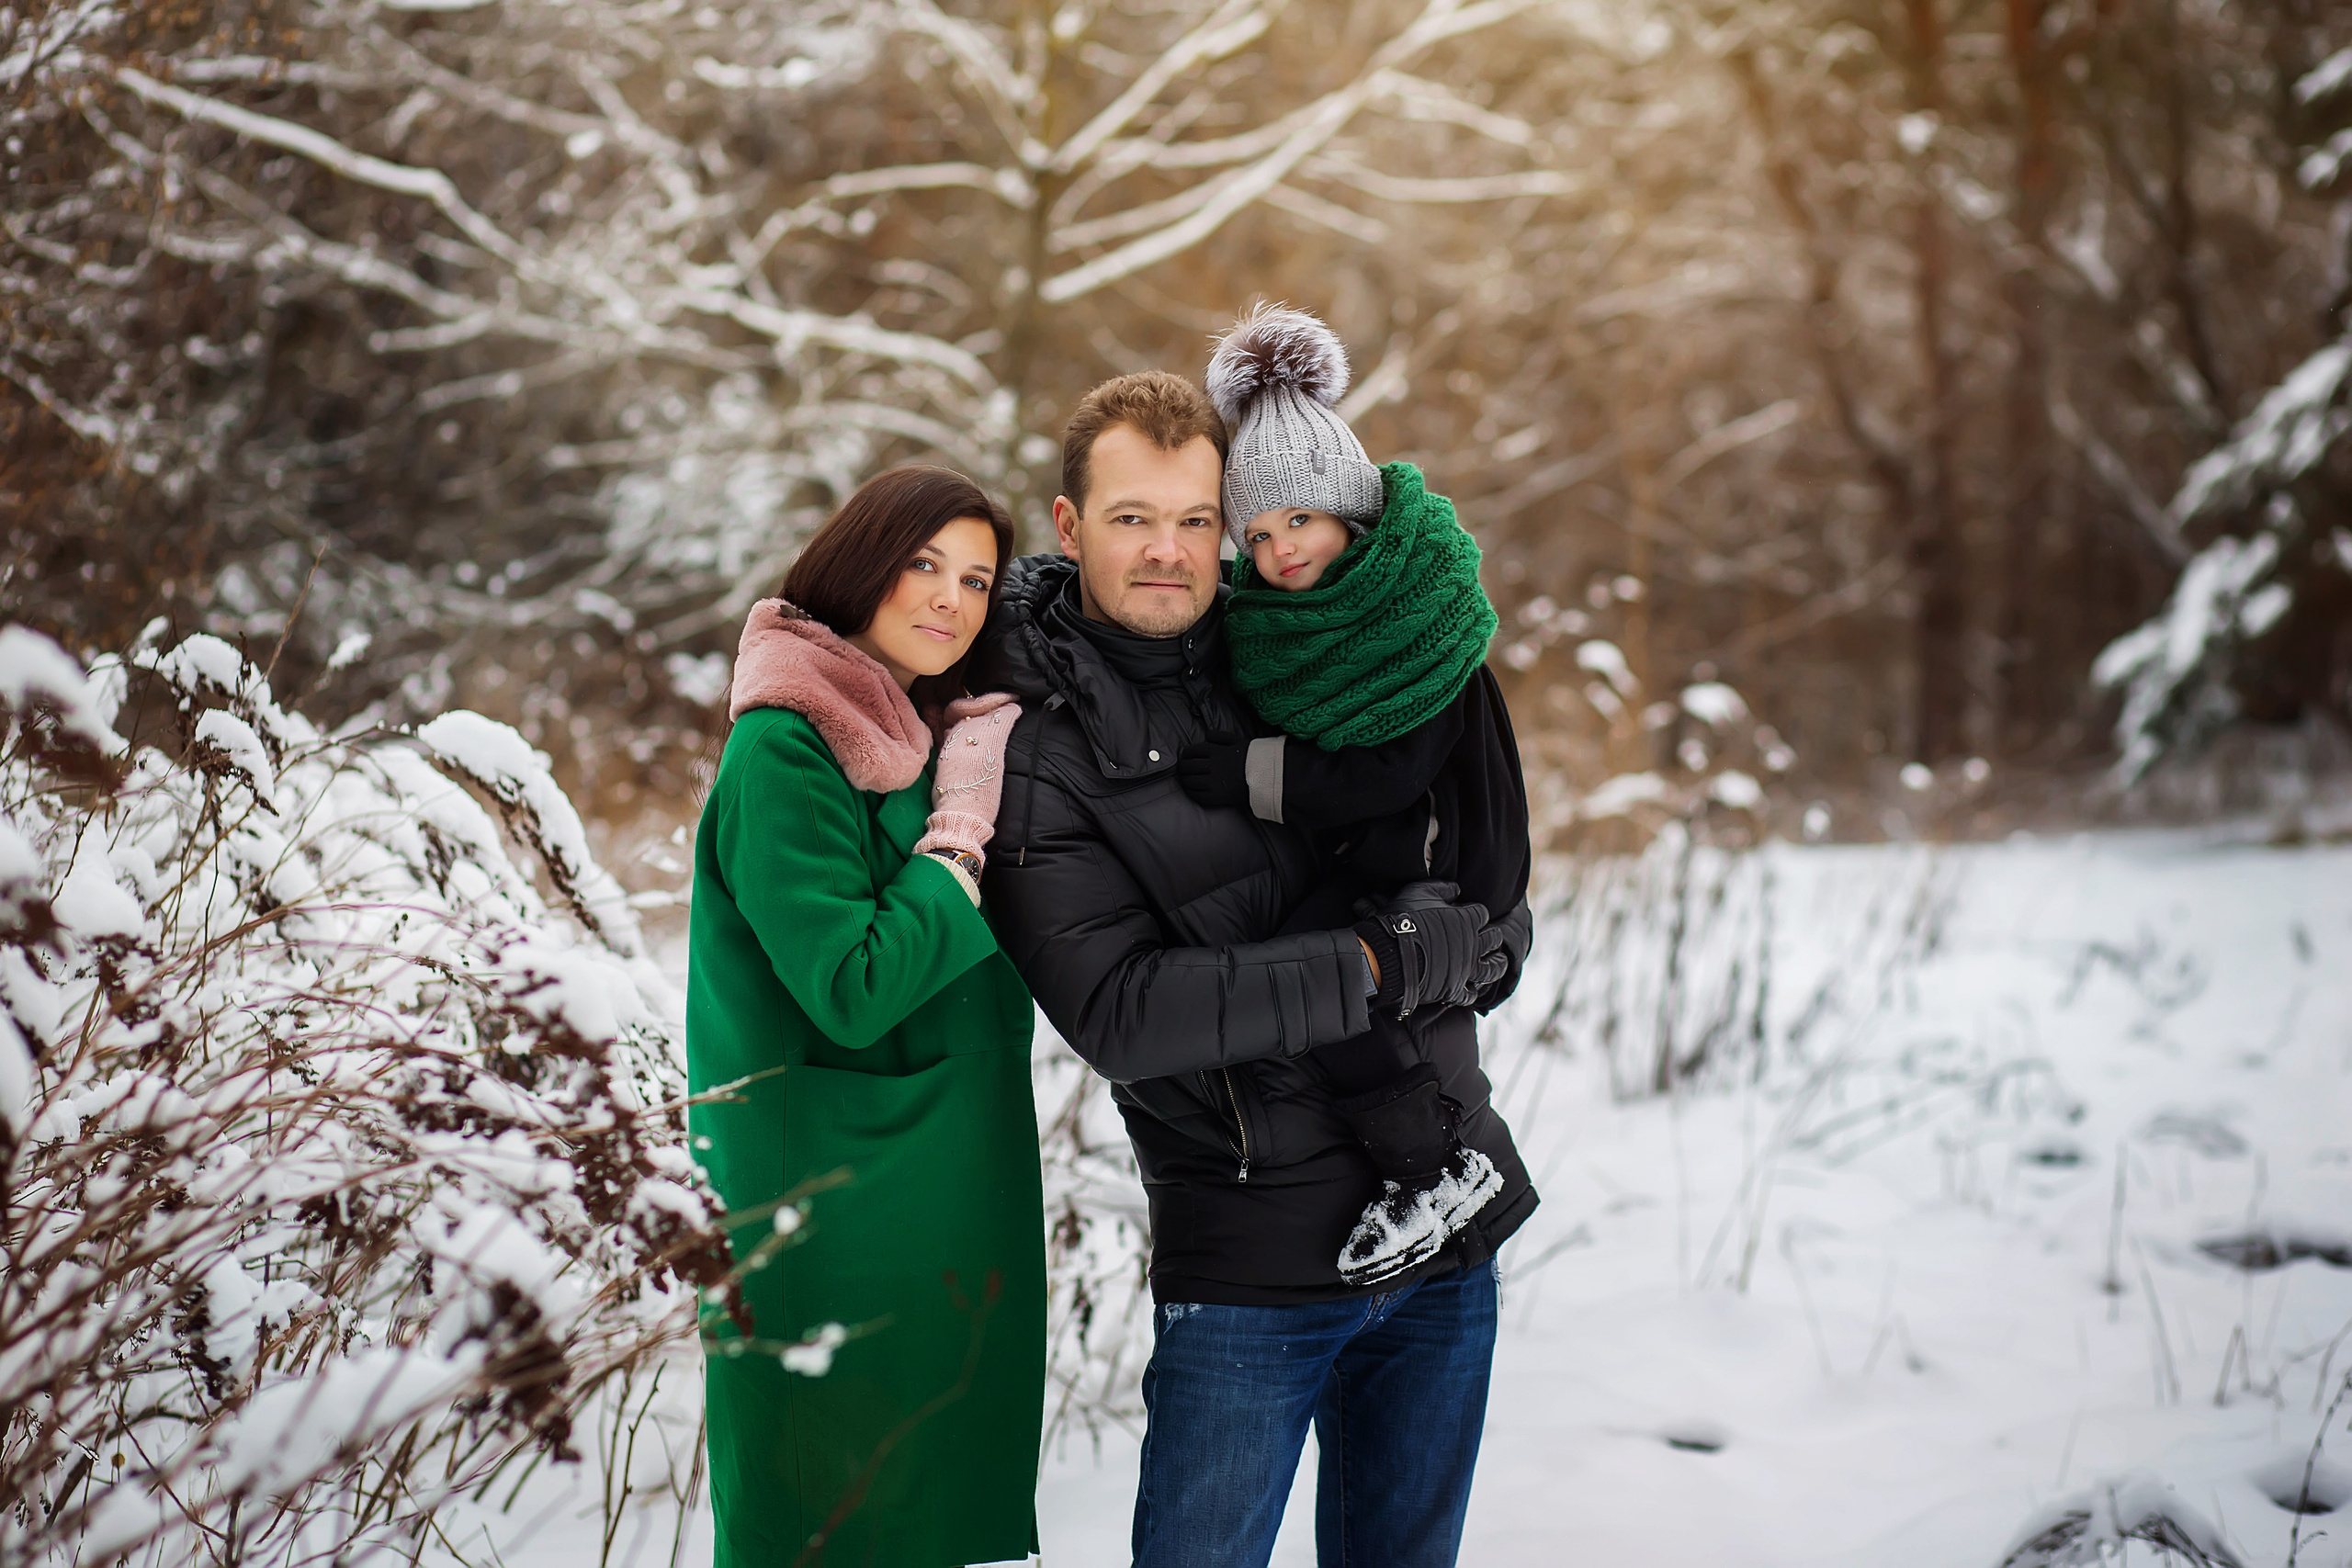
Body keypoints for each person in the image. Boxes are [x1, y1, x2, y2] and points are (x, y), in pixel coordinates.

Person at [972, 371, 1536, 1568]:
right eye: (1132, 518)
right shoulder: (1031, 749)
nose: (1170, 551)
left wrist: (1496, 932)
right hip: (1253, 1272)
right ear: (1070, 528)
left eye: (1194, 517)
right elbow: (1122, 1011)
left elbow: (1444, 810)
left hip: (1447, 1218)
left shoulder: (1297, 641)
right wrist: (1384, 961)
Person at [686, 466, 1042, 1568]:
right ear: (859, 564)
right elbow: (850, 985)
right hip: (833, 1215)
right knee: (827, 1528)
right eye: (923, 564)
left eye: (977, 579)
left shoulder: (936, 729)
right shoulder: (785, 745)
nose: (950, 599)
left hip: (940, 1199)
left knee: (930, 1521)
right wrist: (958, 844)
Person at [1175, 303, 1535, 1289]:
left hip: (1444, 857)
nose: (1280, 548)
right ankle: (1434, 1161)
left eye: (1299, 519)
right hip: (1394, 849)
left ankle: (1433, 1167)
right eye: (1256, 531)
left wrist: (1250, 773)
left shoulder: (1408, 621)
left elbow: (1389, 772)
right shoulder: (1300, 624)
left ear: (1350, 508)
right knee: (1319, 969)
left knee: (1331, 981)